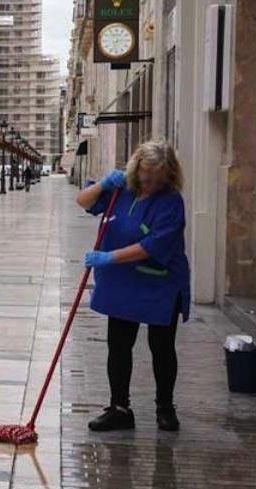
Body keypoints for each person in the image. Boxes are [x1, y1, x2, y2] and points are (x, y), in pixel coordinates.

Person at [74, 141, 190, 433]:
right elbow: (84, 201)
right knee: (119, 345)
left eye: (156, 177)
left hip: (160, 283)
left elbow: (153, 245)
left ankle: (165, 407)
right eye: (145, 174)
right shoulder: (120, 190)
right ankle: (120, 408)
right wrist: (102, 184)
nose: (149, 182)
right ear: (136, 169)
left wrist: (108, 257)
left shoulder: (171, 201)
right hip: (123, 283)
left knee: (161, 347)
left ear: (168, 175)